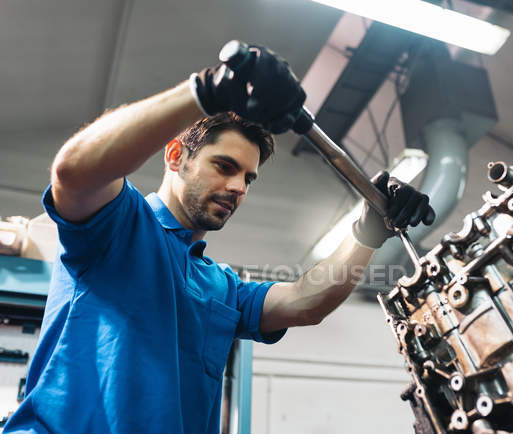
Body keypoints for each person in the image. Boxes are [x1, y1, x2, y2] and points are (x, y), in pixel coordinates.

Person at [4, 43, 435, 433]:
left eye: (248, 178)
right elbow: (73, 172)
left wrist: (368, 231)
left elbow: (305, 302)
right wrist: (207, 91)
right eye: (225, 166)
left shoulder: (220, 284)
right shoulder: (119, 224)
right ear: (176, 156)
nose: (239, 188)